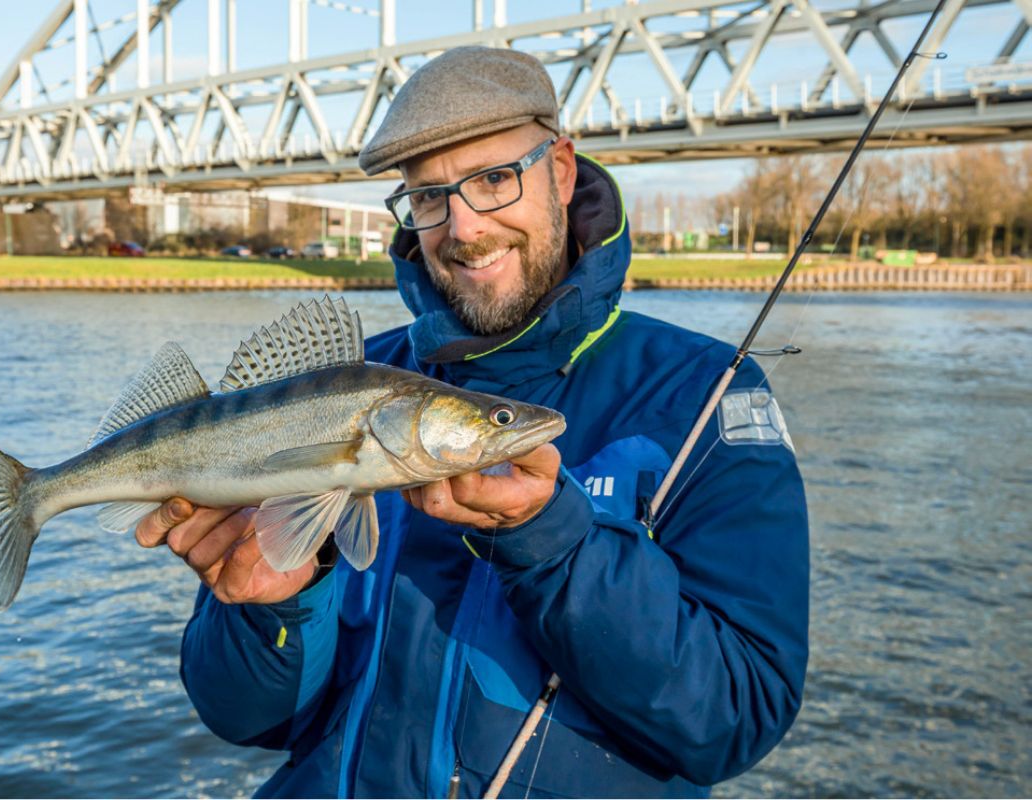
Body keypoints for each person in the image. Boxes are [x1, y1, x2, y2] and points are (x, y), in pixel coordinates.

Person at [136, 46, 809, 798]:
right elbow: (244, 719)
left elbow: (736, 717)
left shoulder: (705, 398)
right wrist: (272, 609)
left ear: (559, 169)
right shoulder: (331, 388)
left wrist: (550, 545)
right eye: (429, 197)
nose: (464, 227)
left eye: (494, 179)